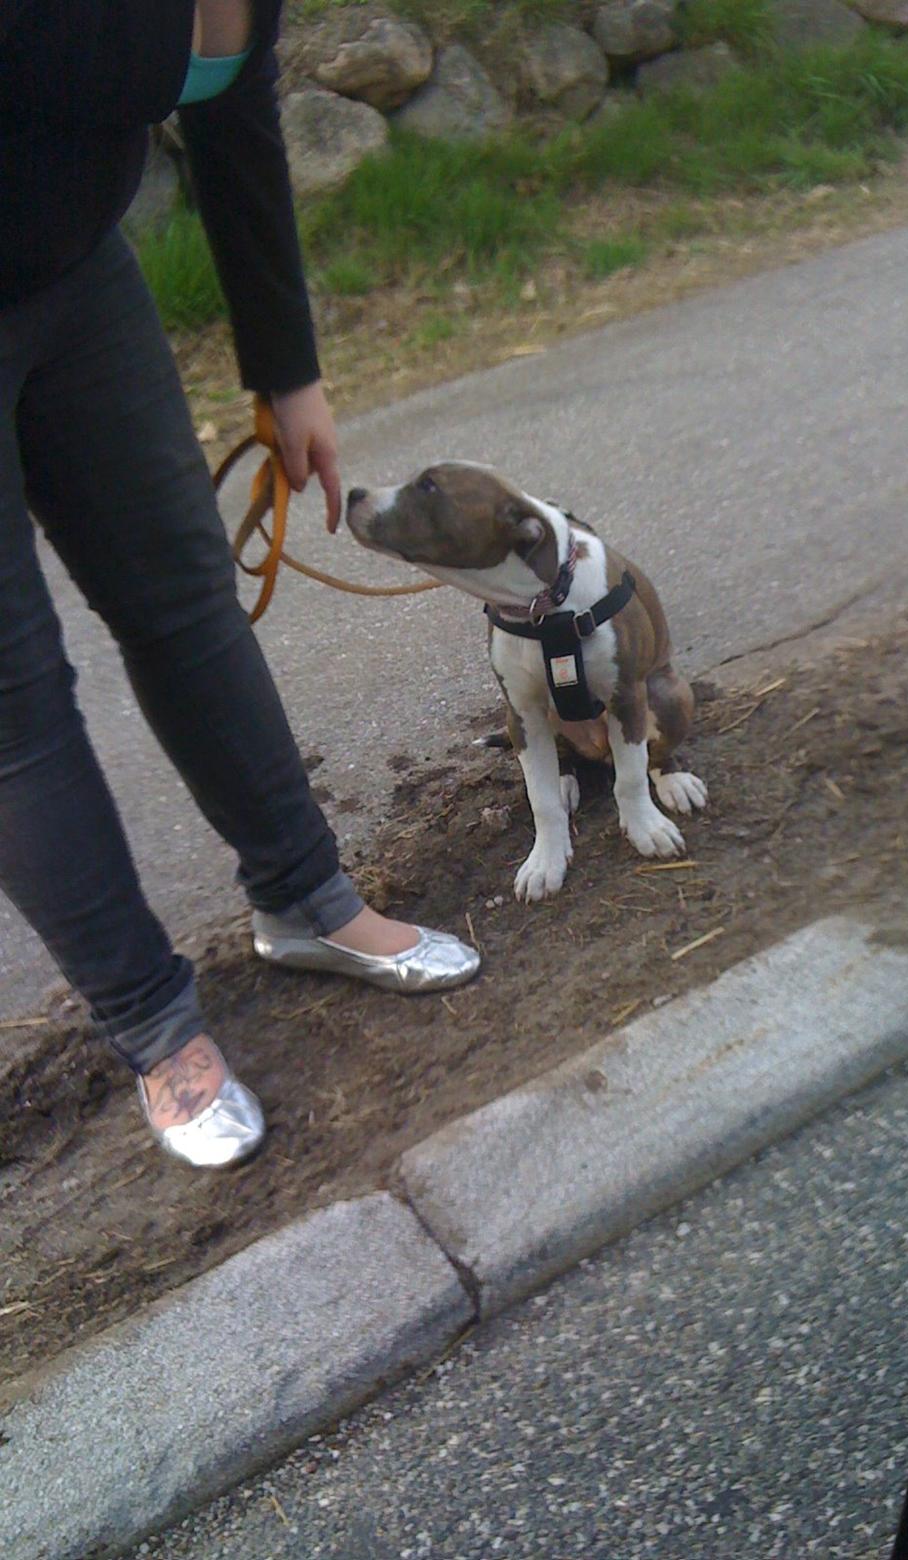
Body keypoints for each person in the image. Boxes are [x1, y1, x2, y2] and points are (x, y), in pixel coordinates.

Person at [0, 0, 480, 1170]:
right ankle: (155, 1027)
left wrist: (286, 373)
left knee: (183, 599)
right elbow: (93, 58)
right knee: (16, 701)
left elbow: (236, 110)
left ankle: (306, 900)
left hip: (71, 270)